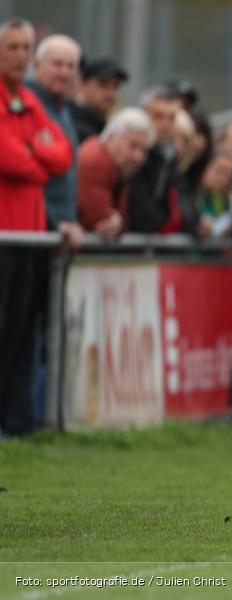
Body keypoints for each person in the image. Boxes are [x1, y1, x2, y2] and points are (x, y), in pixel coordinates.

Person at [0, 18, 73, 436]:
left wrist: (33, 155)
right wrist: (35, 153)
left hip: (29, 238)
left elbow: (61, 156)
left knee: (19, 334)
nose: (19, 56)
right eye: (11, 47)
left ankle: (9, 420)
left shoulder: (28, 99)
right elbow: (13, 159)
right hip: (5, 237)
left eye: (25, 48)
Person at [25, 34, 84, 242]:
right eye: (57, 64)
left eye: (71, 66)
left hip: (59, 232)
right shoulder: (25, 106)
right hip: (33, 231)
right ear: (37, 65)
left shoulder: (61, 108)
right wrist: (55, 222)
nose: (64, 72)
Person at [77, 107, 154, 239]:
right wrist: (119, 222)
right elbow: (100, 221)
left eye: (144, 150)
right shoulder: (95, 161)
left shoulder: (118, 166)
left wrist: (120, 222)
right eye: (132, 146)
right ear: (112, 138)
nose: (138, 156)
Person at [126, 84, 180, 233]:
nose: (165, 124)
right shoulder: (130, 152)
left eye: (171, 118)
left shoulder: (168, 156)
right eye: (158, 116)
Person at [69, 57, 128, 144]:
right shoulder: (68, 120)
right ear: (82, 84)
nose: (110, 93)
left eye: (116, 86)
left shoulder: (106, 125)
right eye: (103, 84)